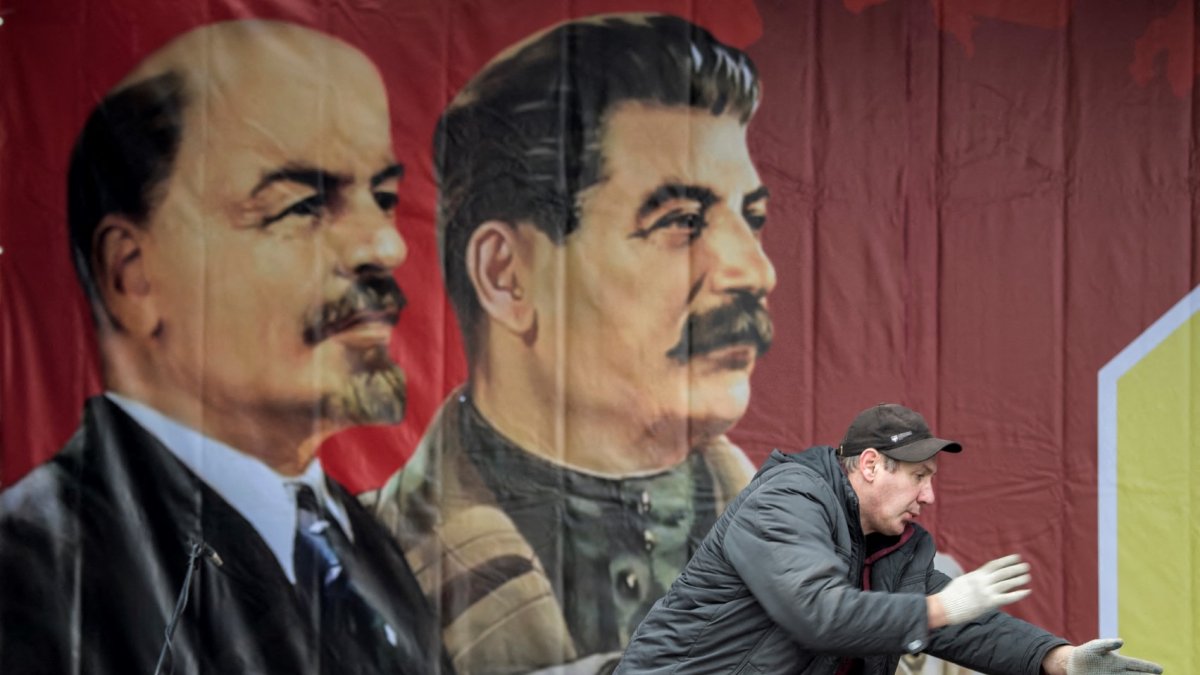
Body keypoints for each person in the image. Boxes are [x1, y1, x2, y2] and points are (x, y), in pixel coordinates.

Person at [0, 20, 448, 675]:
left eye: (382, 197)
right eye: (302, 205)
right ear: (133, 274)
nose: (386, 246)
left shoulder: (363, 546)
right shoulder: (33, 576)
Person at [370, 13, 774, 674]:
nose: (755, 271)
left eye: (751, 219)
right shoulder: (342, 583)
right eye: (680, 221)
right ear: (507, 274)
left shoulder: (847, 563)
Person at [617, 403, 1164, 675]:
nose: (928, 497)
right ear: (872, 466)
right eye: (920, 477)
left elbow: (966, 627)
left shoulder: (890, 545)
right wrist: (939, 608)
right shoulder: (787, 500)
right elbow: (817, 612)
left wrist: (1059, 659)